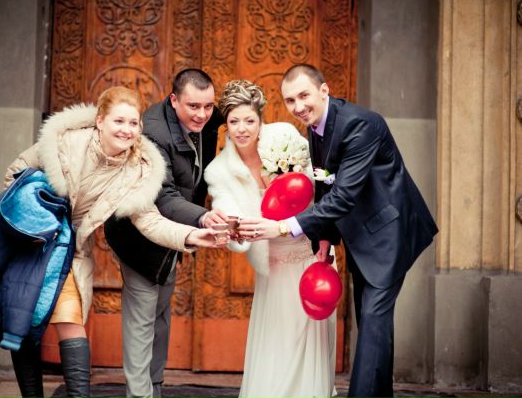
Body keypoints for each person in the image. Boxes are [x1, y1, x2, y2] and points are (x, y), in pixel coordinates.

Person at [0, 86, 222, 398]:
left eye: (133, 123)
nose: (126, 130)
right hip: (28, 240)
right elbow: (15, 173)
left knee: (70, 319)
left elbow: (149, 220)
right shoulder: (66, 142)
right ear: (100, 121)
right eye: (119, 121)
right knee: (23, 320)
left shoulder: (137, 168)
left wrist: (191, 235)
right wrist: (34, 221)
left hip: (70, 249)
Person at [239, 64, 439, 398]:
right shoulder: (315, 127)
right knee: (373, 324)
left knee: (372, 321)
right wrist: (325, 237)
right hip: (361, 236)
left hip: (388, 234)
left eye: (304, 95)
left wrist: (284, 226)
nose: (298, 106)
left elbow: (344, 195)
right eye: (290, 100)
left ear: (324, 90)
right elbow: (324, 186)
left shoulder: (361, 124)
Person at [203, 79, 336, 398]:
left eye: (249, 120)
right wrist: (231, 227)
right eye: (234, 121)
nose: (242, 129)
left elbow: (319, 181)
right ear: (226, 125)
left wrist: (324, 234)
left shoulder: (284, 137)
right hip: (274, 262)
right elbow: (227, 209)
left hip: (309, 249)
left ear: (260, 119)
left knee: (311, 336)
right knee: (279, 340)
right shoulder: (219, 171)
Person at [104, 69, 226, 398]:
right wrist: (203, 217)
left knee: (159, 316)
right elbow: (165, 196)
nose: (202, 114)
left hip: (174, 234)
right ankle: (140, 394)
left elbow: (231, 111)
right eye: (193, 106)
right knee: (142, 321)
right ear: (174, 100)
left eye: (208, 106)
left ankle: (154, 387)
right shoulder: (154, 134)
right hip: (139, 237)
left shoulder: (205, 118)